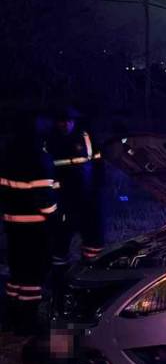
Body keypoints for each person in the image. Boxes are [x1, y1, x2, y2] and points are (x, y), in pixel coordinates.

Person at [1, 111, 57, 334]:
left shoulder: (8, 153)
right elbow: (45, 197)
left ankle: (11, 317)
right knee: (33, 274)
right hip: (35, 226)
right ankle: (28, 322)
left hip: (12, 223)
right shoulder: (39, 157)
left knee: (16, 272)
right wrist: (55, 216)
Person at [44, 107, 105, 267]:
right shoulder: (49, 141)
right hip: (63, 199)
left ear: (74, 121)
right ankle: (59, 272)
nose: (66, 125)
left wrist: (98, 189)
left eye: (69, 121)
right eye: (62, 121)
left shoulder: (86, 137)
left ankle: (91, 267)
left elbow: (98, 164)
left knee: (93, 236)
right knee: (60, 238)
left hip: (87, 196)